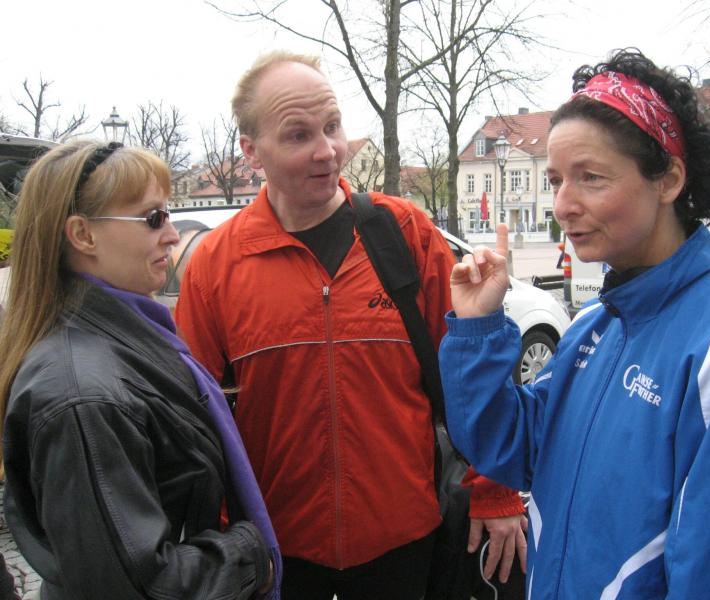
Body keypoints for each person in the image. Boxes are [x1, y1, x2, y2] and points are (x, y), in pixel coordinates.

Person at [439, 49, 710, 598]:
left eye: (590, 177)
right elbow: (512, 448)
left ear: (668, 180)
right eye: (556, 180)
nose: (563, 205)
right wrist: (477, 329)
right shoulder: (594, 326)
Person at [175, 50, 527, 600]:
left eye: (333, 126)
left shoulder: (404, 233)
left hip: (405, 543)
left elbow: (470, 374)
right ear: (251, 152)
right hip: (278, 555)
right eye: (298, 135)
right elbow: (195, 421)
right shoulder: (217, 265)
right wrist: (220, 540)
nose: (328, 150)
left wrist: (494, 486)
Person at [0, 140, 280, 599]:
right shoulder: (83, 395)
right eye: (153, 218)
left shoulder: (125, 339)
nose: (172, 234)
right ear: (83, 235)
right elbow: (137, 583)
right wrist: (251, 555)